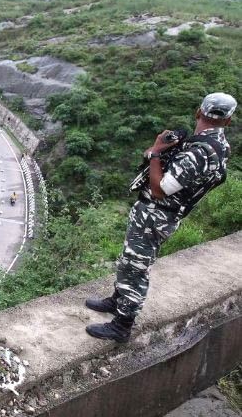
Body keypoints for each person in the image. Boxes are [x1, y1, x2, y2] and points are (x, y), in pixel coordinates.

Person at [86, 93, 235, 343]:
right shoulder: (215, 146)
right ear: (228, 121)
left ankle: (122, 325)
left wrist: (156, 152)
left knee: (136, 267)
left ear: (199, 112)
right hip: (157, 214)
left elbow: (160, 189)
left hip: (157, 215)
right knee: (129, 260)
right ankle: (118, 300)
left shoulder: (201, 152)